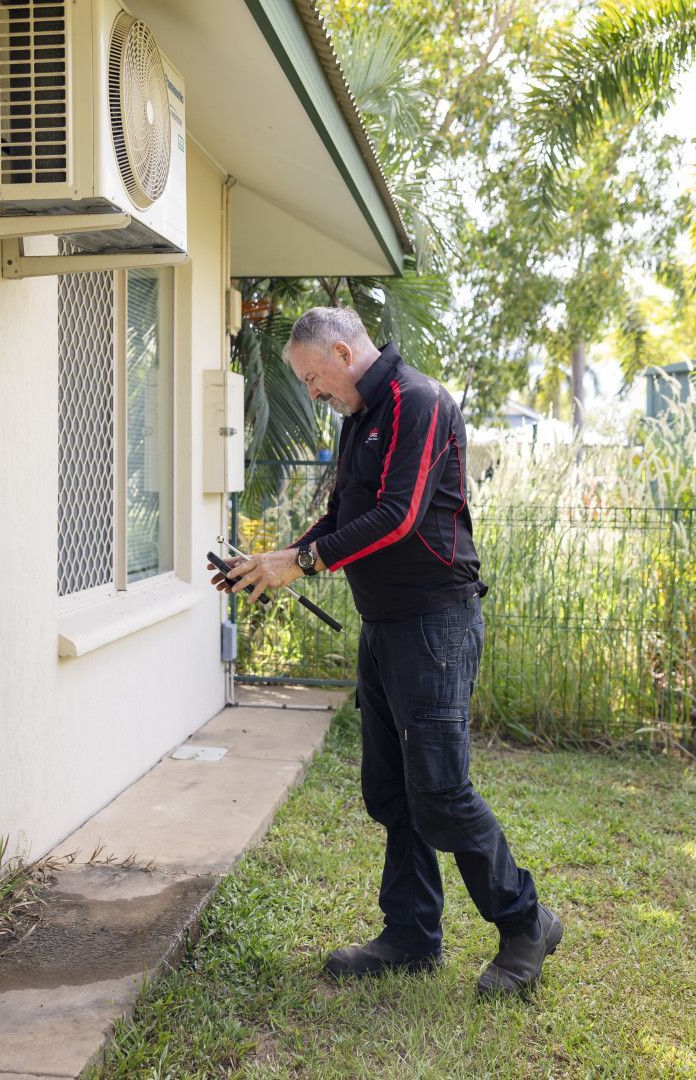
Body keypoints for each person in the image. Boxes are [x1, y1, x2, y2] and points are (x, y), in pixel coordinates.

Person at [208, 306, 562, 997]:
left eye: (313, 377)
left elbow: (397, 519)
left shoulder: (417, 402)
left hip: (434, 623)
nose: (311, 392)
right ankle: (411, 934)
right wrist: (276, 559)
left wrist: (302, 563)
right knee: (392, 790)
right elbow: (345, 517)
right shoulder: (362, 418)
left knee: (440, 792)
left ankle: (527, 923)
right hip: (385, 625)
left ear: (342, 352)